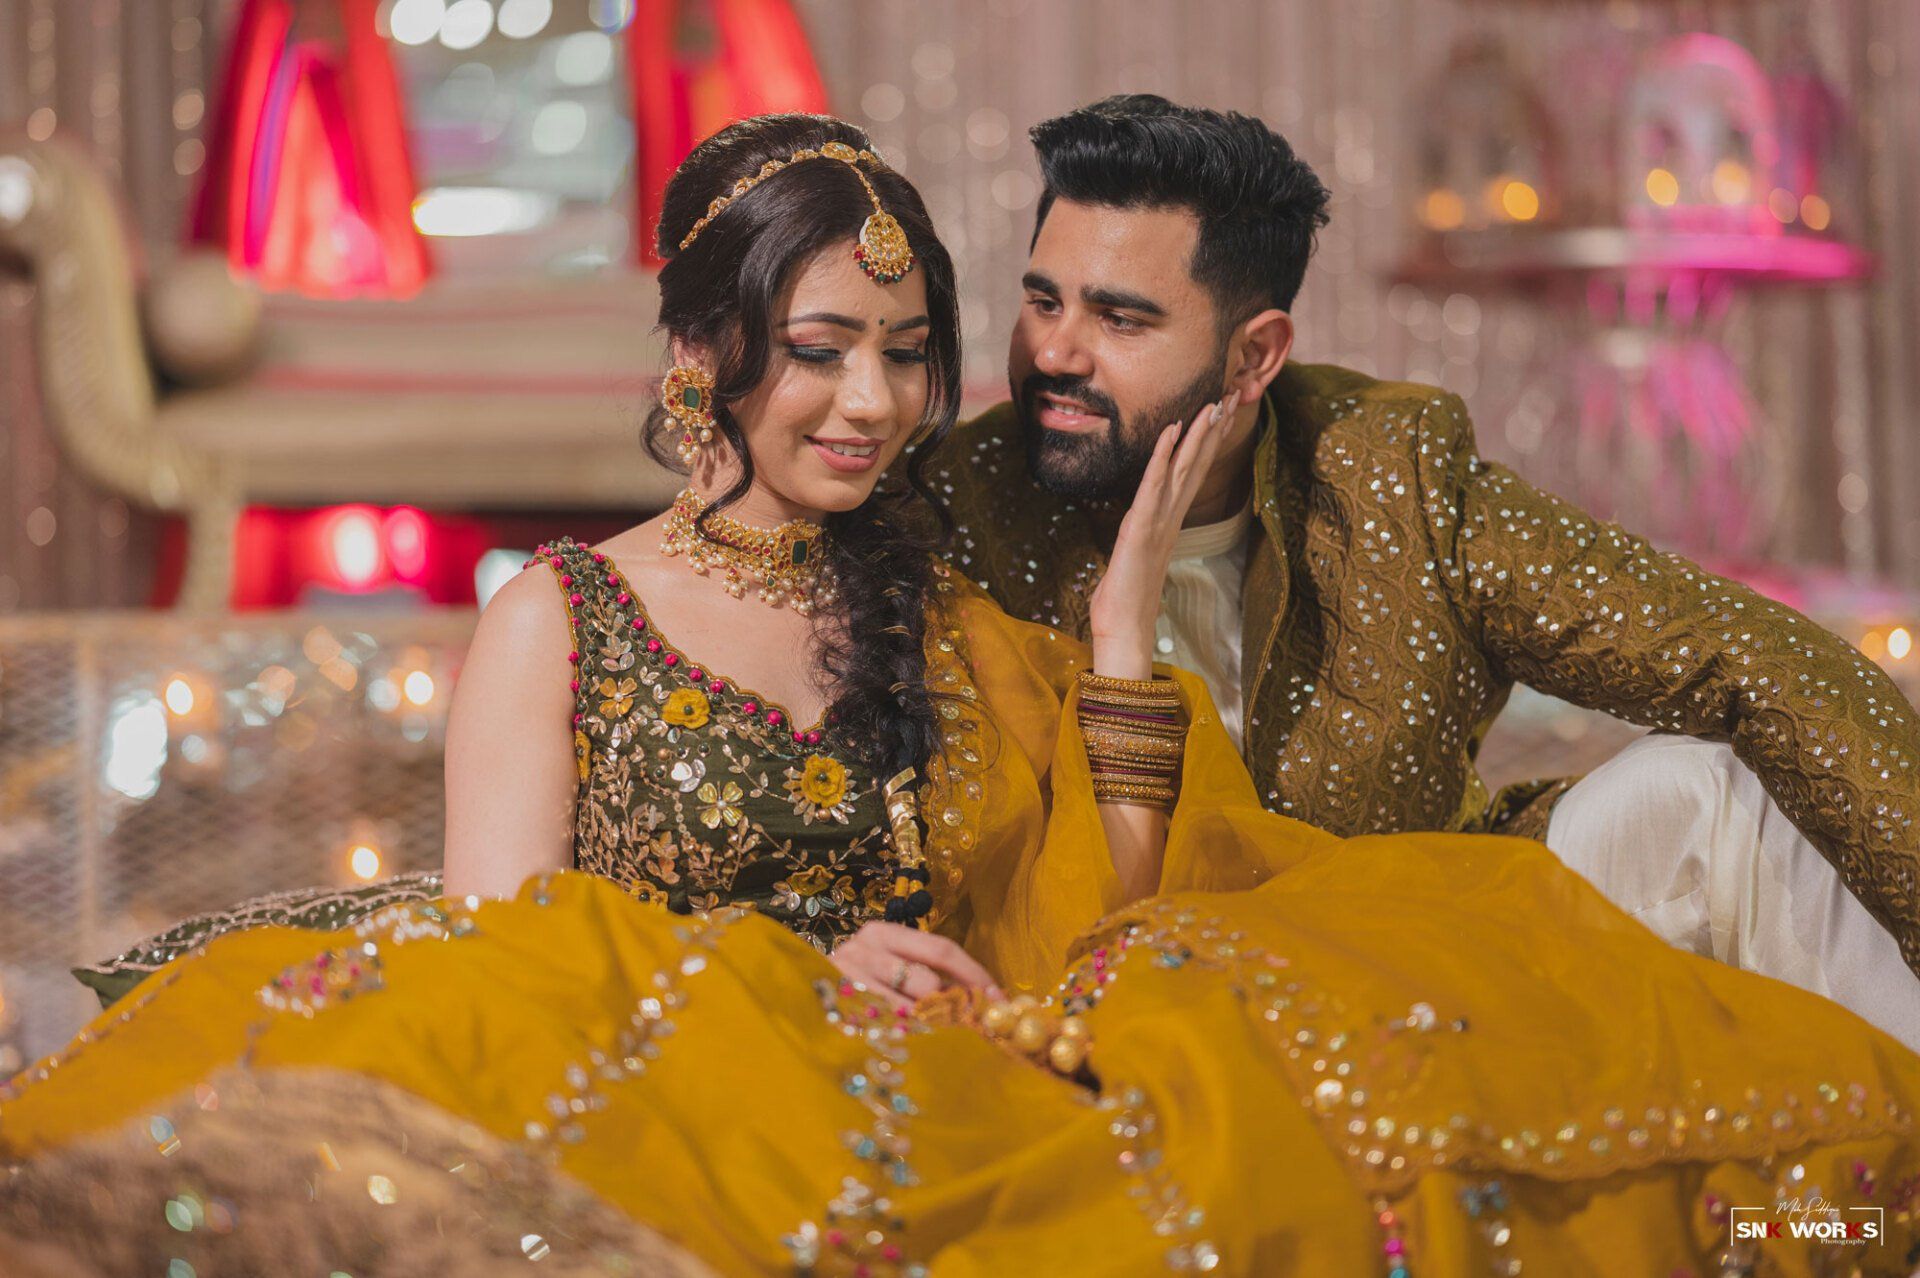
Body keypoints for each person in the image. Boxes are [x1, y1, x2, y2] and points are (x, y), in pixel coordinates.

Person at [5, 114, 1917, 1277]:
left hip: (962, 1064)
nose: (870, 402)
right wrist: (786, 971)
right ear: (703, 354)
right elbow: (518, 957)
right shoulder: (564, 613)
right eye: (819, 348)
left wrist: (1108, 672)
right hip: (688, 1082)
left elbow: (1106, 924)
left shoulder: (935, 599)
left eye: (909, 355)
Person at [923, 94, 1920, 1048]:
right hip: (1142, 1013)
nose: (1055, 351)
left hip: (1426, 968)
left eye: (1121, 320)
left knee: (1710, 791)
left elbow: (1743, 655)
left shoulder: (1384, 468)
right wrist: (1122, 625)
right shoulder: (957, 511)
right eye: (1042, 298)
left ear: (1253, 356)